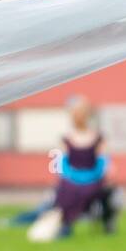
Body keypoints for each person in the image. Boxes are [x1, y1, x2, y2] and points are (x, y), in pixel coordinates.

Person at [51, 96, 113, 238]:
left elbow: (103, 162)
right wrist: (74, 176)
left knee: (85, 191)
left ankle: (67, 223)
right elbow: (62, 164)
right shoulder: (66, 139)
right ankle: (66, 225)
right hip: (71, 180)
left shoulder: (98, 138)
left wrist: (90, 176)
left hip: (93, 180)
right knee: (67, 190)